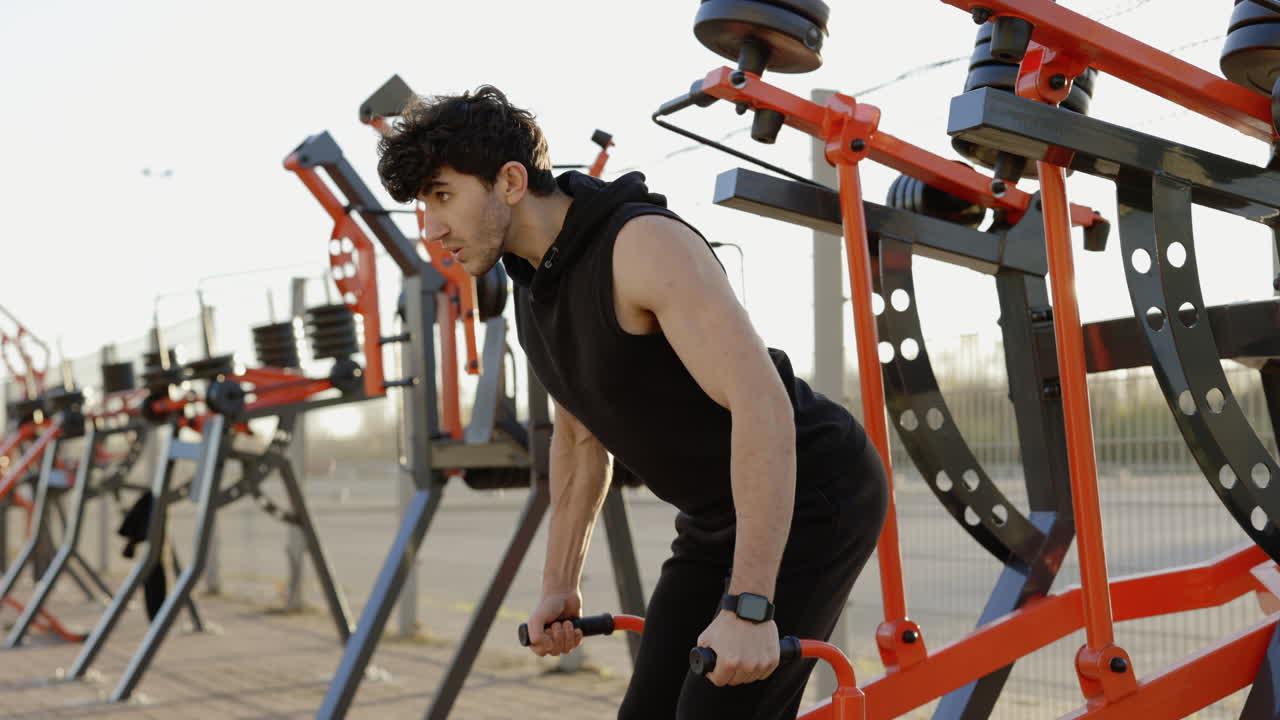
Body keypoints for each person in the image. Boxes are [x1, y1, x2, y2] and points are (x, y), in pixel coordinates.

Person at [376, 85, 888, 720]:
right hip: (714, 521)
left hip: (813, 494)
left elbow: (762, 406)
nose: (432, 228)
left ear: (509, 181)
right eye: (423, 205)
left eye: (442, 196)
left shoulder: (640, 246)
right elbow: (578, 439)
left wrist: (752, 606)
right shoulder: (534, 284)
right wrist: (559, 584)